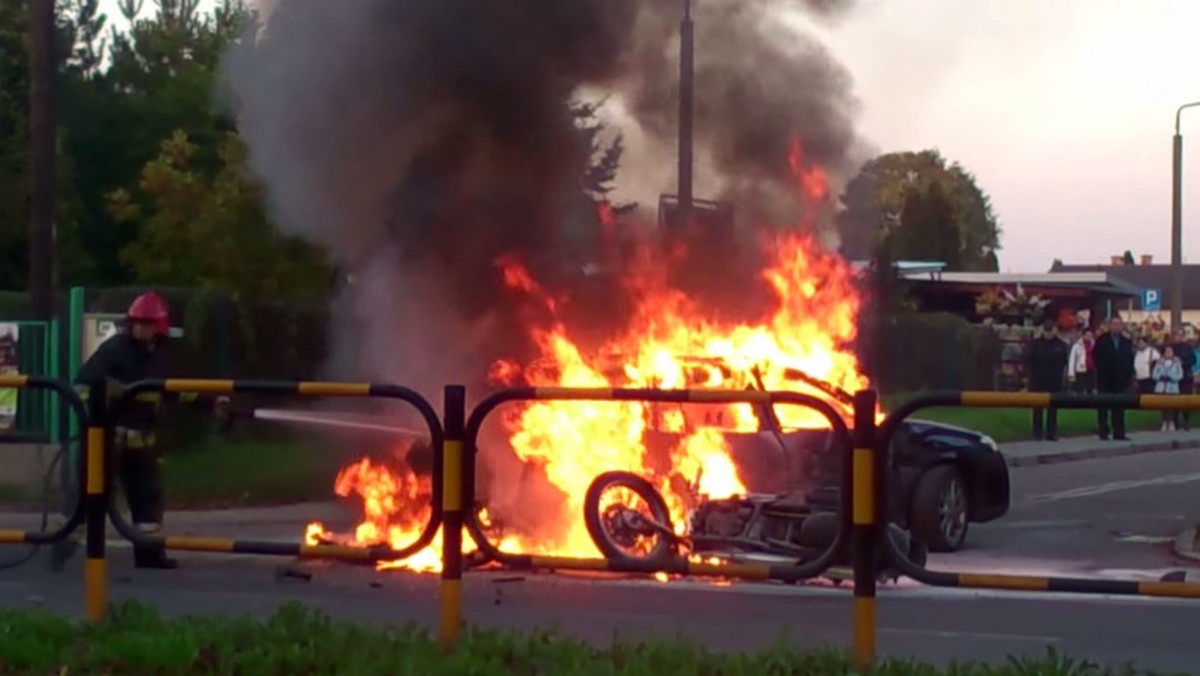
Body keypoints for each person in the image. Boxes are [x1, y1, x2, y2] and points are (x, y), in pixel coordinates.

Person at [74, 292, 230, 569]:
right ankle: (62, 548)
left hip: (141, 443)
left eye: (148, 324)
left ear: (159, 328)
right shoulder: (114, 350)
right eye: (138, 323)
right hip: (107, 441)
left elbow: (173, 391)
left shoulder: (158, 357)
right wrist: (108, 396)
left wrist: (210, 404)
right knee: (89, 497)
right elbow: (82, 386)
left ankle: (149, 555)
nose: (142, 328)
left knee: (148, 501)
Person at [1091, 316, 1135, 441]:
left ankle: (1119, 432)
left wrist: (1128, 375)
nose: (1116, 326)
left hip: (1121, 380)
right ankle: (1103, 431)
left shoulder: (1126, 342)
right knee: (1103, 406)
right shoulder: (1101, 340)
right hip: (1105, 378)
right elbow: (1095, 357)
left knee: (1119, 407)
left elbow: (1130, 359)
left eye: (1119, 324)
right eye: (1114, 324)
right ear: (1110, 326)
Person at [1027, 320, 1068, 441]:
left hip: (1054, 380)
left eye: (1051, 331)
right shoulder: (1035, 344)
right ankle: (1037, 432)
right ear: (1043, 331)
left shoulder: (1060, 345)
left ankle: (1051, 432)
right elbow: (1029, 360)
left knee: (1053, 408)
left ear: (1055, 331)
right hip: (1038, 380)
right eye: (1047, 331)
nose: (1049, 333)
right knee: (1037, 408)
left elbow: (1064, 362)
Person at [1168, 329, 1196, 430]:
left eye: (1180, 335)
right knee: (1174, 400)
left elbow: (1193, 360)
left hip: (1186, 377)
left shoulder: (1187, 347)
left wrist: (1183, 362)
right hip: (1173, 377)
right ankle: (1175, 421)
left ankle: (1186, 421)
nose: (1177, 337)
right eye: (1176, 335)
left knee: (1186, 400)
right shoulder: (1169, 347)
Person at [1152, 345, 1184, 431]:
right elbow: (1154, 374)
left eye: (1170, 351)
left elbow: (1180, 375)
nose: (1168, 353)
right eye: (1167, 351)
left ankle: (1172, 422)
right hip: (1162, 387)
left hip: (1172, 387)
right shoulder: (1159, 363)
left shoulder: (1177, 362)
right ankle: (1164, 422)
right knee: (1163, 406)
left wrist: (1171, 377)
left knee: (1171, 406)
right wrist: (1160, 377)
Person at [1068, 329, 1096, 393]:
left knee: (1090, 389)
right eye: (1087, 335)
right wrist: (1071, 374)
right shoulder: (1077, 346)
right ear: (1083, 335)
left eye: (1090, 335)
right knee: (1080, 389)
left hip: (1091, 370)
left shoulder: (1094, 344)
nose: (1089, 337)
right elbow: (1072, 360)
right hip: (1081, 370)